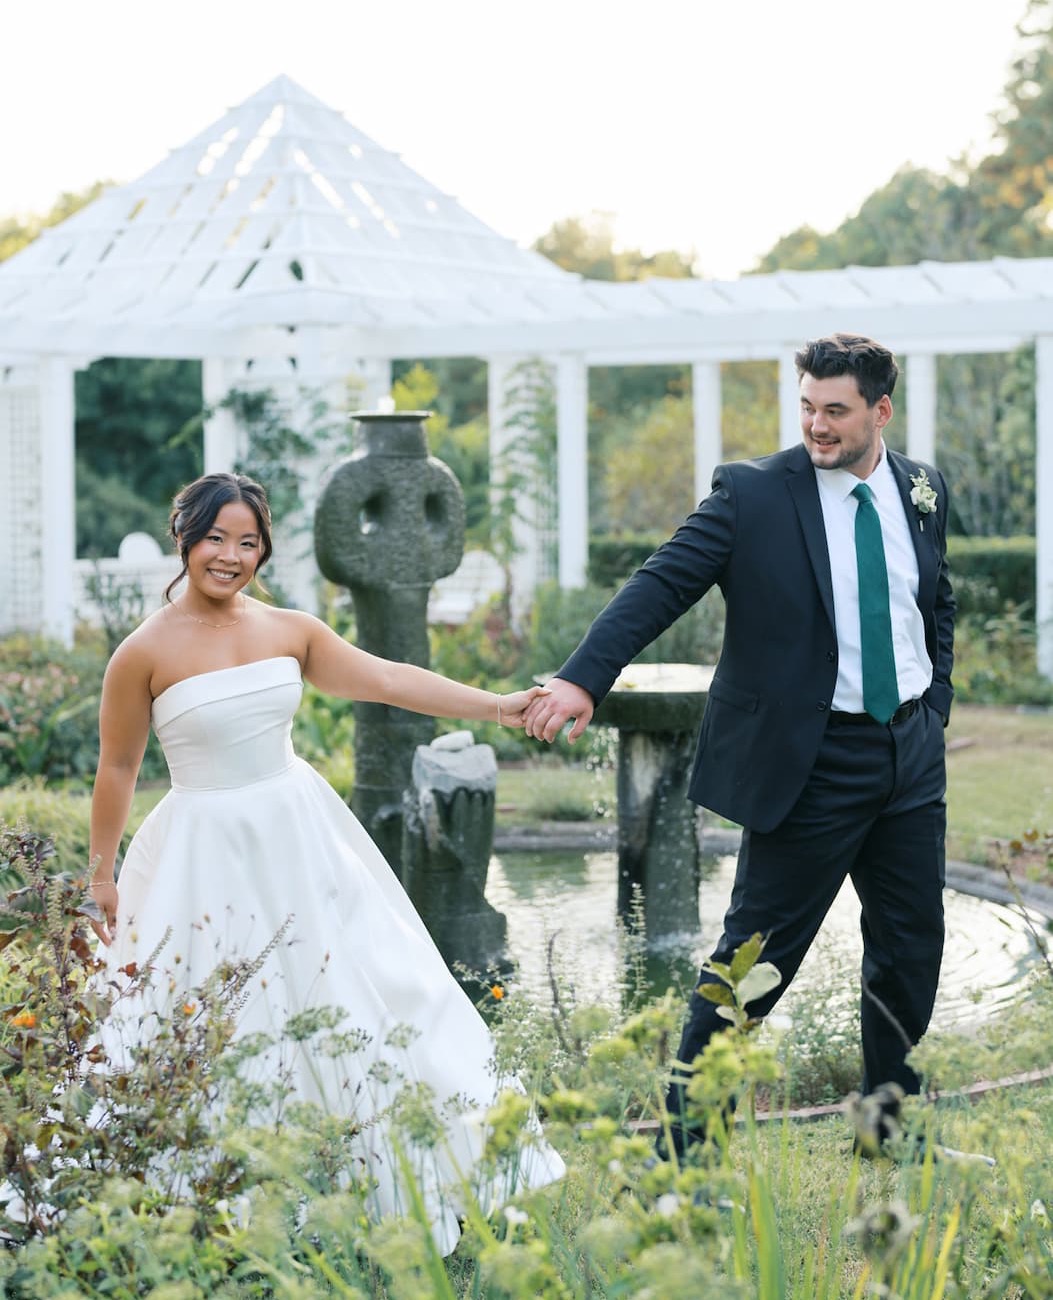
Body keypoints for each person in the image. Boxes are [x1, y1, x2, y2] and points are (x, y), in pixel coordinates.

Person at [88, 471, 564, 1253]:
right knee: (218, 1016)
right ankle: (216, 1215)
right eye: (217, 538)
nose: (231, 556)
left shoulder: (289, 629)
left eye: (248, 542)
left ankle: (392, 1186)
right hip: (205, 853)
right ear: (185, 537)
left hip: (301, 837)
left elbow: (388, 680)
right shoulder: (141, 653)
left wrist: (498, 704)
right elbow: (117, 770)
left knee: (365, 991)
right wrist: (101, 876)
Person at [524, 333, 954, 1157]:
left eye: (835, 410)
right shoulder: (754, 494)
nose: (816, 426)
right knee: (751, 964)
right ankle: (680, 1153)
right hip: (811, 762)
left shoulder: (924, 488)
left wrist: (933, 702)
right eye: (805, 407)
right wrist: (584, 677)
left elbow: (932, 603)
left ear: (879, 412)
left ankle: (886, 1129)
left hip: (908, 756)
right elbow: (661, 582)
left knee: (909, 951)